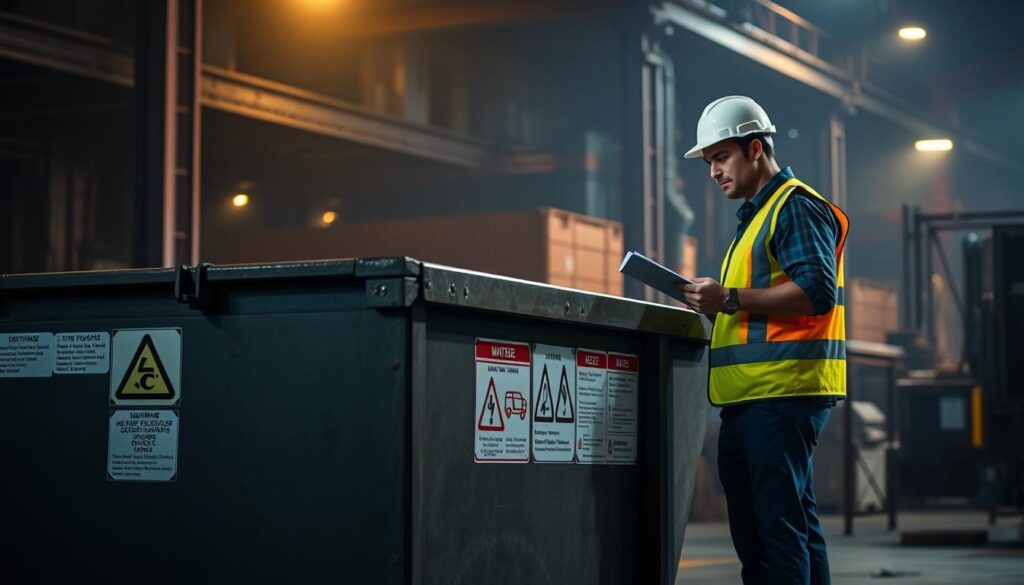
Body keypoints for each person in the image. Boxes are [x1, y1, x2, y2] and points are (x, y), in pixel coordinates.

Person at [680, 96, 849, 585]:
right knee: (788, 528)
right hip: (760, 396)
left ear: (755, 148)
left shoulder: (793, 207)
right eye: (708, 162)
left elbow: (815, 291)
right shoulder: (757, 216)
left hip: (779, 394)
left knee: (770, 538)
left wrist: (729, 297)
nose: (712, 172)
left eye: (720, 158)